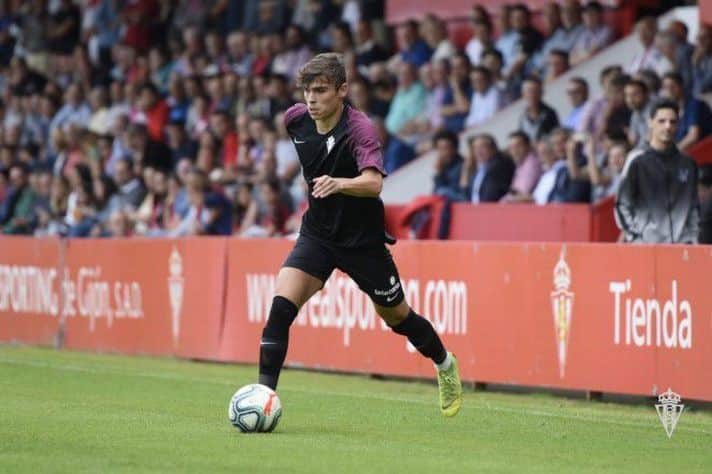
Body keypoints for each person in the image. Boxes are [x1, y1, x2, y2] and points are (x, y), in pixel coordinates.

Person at [256, 53, 463, 417]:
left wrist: (339, 183)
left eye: (320, 91)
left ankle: (445, 364)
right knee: (280, 308)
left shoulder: (359, 128)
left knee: (397, 317)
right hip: (317, 235)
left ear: (342, 91)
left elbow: (373, 183)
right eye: (307, 90)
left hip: (362, 242)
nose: (312, 98)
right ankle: (263, 397)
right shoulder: (295, 120)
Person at [615, 99, 699, 244]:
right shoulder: (637, 161)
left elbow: (693, 207)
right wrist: (636, 238)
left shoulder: (688, 164)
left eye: (673, 122)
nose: (667, 126)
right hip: (647, 248)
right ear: (650, 123)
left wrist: (692, 239)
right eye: (662, 121)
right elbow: (622, 205)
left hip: (681, 248)